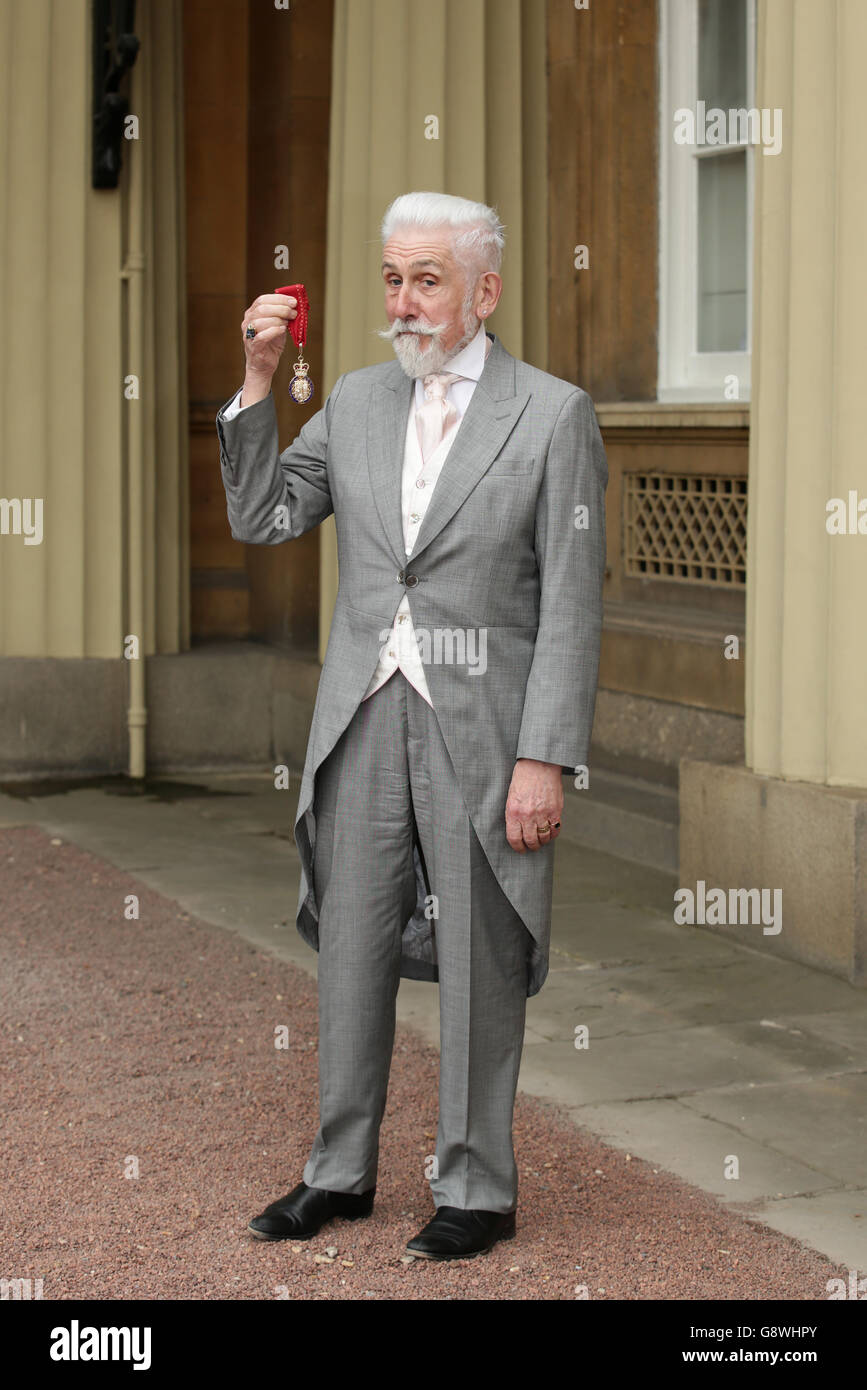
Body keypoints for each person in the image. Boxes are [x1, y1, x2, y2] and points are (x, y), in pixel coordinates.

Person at [215, 190, 607, 1261]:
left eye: (427, 278)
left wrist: (544, 757)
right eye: (392, 277)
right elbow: (265, 516)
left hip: (483, 727)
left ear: (484, 290)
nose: (405, 299)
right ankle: (340, 1173)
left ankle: (477, 1187)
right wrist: (257, 383)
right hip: (362, 713)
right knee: (352, 946)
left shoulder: (553, 413)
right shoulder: (352, 399)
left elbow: (572, 598)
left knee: (482, 952)